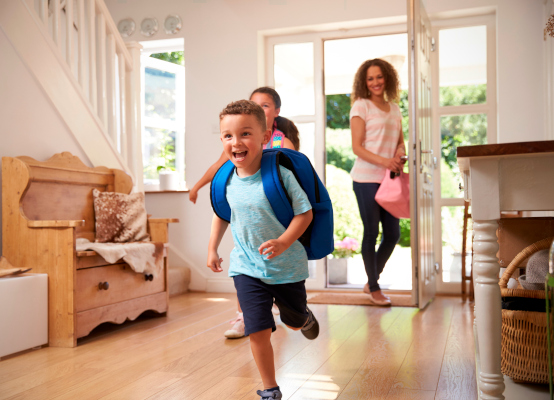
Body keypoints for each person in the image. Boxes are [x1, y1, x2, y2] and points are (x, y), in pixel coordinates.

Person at [207, 100, 319, 400]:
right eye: (228, 136)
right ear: (222, 140)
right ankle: (270, 389)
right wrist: (212, 249)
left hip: (287, 268)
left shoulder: (280, 175)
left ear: (265, 136)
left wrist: (284, 242)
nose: (236, 142)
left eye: (245, 134)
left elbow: (304, 213)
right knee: (257, 328)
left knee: (292, 321)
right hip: (246, 266)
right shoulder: (225, 179)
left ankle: (302, 317)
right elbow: (222, 212)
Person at [189, 87, 300, 339]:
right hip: (247, 228)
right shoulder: (236, 145)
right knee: (245, 271)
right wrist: (197, 186)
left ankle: (293, 311)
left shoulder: (284, 143)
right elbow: (219, 167)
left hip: (277, 226)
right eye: (253, 104)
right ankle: (245, 317)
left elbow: (298, 181)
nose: (258, 109)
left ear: (276, 112)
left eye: (265, 105)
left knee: (281, 288)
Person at [349, 58, 407, 306]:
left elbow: (400, 141)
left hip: (389, 180)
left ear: (388, 79)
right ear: (364, 82)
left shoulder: (394, 108)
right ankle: (374, 287)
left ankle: (372, 279)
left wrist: (399, 155)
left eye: (379, 77)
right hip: (365, 178)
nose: (375, 82)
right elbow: (357, 148)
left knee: (393, 234)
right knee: (372, 231)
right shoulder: (360, 106)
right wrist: (386, 162)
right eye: (370, 78)